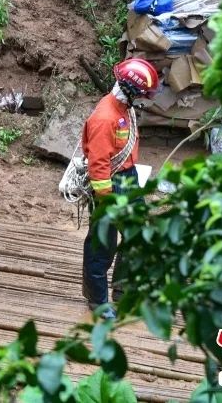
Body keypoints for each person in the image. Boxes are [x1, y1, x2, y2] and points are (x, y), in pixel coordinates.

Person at [81, 57, 159, 319]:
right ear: (132, 91)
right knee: (103, 243)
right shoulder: (105, 118)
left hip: (129, 178)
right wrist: (106, 199)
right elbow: (99, 164)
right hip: (110, 184)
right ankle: (97, 299)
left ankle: (123, 289)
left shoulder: (126, 110)